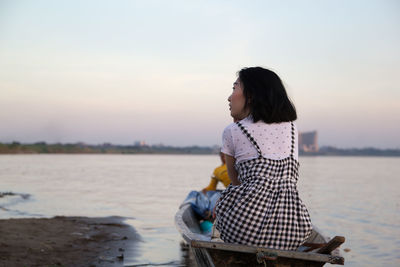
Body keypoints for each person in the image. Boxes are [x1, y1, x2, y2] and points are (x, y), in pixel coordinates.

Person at [214, 67, 312, 250]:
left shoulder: (233, 130)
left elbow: (236, 184)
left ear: (250, 95)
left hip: (243, 229)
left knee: (220, 203)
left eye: (234, 88)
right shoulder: (291, 128)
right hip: (292, 229)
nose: (229, 97)